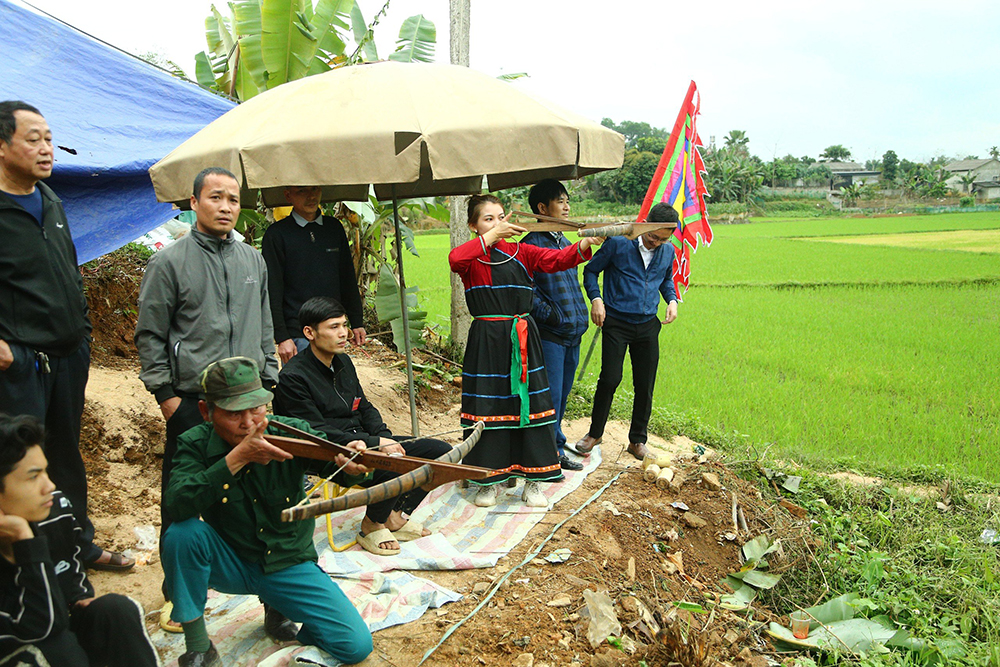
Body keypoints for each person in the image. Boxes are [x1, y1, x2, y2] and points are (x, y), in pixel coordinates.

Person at [134, 166, 279, 628]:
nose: (226, 207)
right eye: (216, 197)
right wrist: (165, 395)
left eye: (233, 200)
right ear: (193, 203)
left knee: (259, 493)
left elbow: (266, 322)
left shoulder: (252, 260)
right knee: (184, 498)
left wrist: (269, 378)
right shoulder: (169, 262)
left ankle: (274, 598)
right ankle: (180, 595)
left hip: (250, 400)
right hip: (194, 402)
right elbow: (150, 335)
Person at [161, 357, 373, 667]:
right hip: (231, 561)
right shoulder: (194, 444)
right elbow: (177, 503)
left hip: (287, 562)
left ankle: (278, 606)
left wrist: (356, 466)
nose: (248, 423)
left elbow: (337, 464)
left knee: (355, 645)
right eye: (234, 413)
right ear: (207, 412)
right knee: (182, 534)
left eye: (256, 410)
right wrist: (236, 460)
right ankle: (198, 646)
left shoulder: (291, 431)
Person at [0, 100, 131, 571]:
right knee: (21, 463)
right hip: (22, 364)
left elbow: (67, 269)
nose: (45, 148)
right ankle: (28, 563)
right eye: (32, 138)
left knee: (65, 455)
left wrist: (83, 334)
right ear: (1, 146)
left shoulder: (50, 199)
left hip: (69, 355)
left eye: (49, 138)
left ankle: (77, 546)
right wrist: (8, 354)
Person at [448, 194, 601, 508]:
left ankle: (534, 481)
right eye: (488, 219)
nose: (497, 223)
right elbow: (454, 259)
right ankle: (489, 482)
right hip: (486, 343)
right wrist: (492, 235)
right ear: (473, 226)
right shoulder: (471, 259)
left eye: (500, 216)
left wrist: (585, 244)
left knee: (531, 408)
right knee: (487, 411)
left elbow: (558, 260)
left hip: (523, 341)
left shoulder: (523, 251)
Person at [272, 296, 451, 555]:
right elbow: (314, 432)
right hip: (329, 452)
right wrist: (377, 444)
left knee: (440, 451)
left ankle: (395, 514)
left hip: (365, 440)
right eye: (333, 327)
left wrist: (384, 438)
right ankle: (371, 524)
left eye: (344, 325)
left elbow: (364, 407)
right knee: (394, 467)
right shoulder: (292, 378)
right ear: (309, 333)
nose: (343, 333)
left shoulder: (342, 361)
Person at [0, 413, 160, 666]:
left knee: (114, 610)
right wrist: (24, 540)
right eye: (33, 477)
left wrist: (78, 597)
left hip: (53, 626)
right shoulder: (26, 527)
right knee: (55, 649)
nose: (49, 485)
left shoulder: (53, 513)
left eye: (45, 472)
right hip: (21, 647)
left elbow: (71, 576)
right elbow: (41, 628)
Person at [571, 203, 679, 461]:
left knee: (645, 384)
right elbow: (591, 271)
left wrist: (672, 300)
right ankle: (595, 434)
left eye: (663, 239)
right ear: (644, 225)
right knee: (609, 378)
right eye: (653, 236)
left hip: (647, 325)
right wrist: (596, 300)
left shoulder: (667, 251)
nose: (656, 243)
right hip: (616, 322)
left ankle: (637, 440)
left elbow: (666, 279)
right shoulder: (619, 244)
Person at [520, 180, 589, 472]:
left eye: (567, 201)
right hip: (551, 335)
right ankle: (548, 453)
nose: (567, 207)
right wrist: (555, 317)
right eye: (561, 202)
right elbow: (527, 294)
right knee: (549, 396)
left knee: (562, 396)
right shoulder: (530, 245)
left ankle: (555, 444)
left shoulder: (563, 241)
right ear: (542, 208)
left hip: (573, 333)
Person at [261, 186, 366, 364]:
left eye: (315, 190)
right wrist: (282, 337)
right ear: (288, 195)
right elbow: (272, 289)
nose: (311, 196)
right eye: (301, 191)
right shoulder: (277, 235)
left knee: (333, 385)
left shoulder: (334, 228)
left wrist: (357, 322)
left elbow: (347, 278)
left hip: (333, 328)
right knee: (306, 387)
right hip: (299, 333)